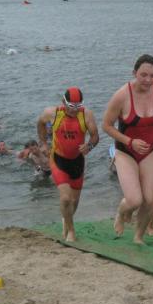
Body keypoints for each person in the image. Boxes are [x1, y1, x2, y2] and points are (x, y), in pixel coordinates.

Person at [103, 54, 153, 244]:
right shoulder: (122, 95)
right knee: (134, 200)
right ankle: (121, 212)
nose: (148, 80)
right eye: (143, 75)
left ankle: (138, 236)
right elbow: (106, 125)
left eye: (152, 76)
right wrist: (130, 141)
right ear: (134, 73)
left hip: (151, 150)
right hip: (126, 151)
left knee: (149, 199)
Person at [37, 87, 100, 242]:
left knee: (74, 202)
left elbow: (95, 136)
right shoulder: (52, 113)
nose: (74, 109)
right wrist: (43, 143)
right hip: (58, 159)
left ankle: (66, 220)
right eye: (71, 106)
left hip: (77, 161)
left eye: (78, 106)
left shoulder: (86, 115)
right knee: (66, 198)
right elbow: (40, 123)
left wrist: (89, 146)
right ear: (63, 102)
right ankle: (71, 231)